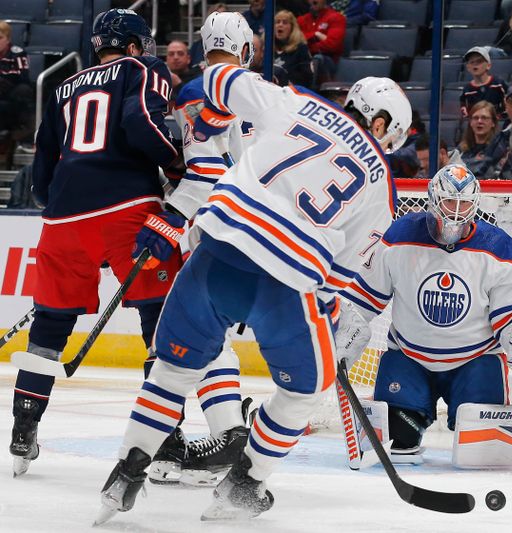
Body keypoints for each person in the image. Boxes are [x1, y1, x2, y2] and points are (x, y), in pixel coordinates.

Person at [96, 75, 411, 521]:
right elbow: (340, 274)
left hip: (216, 250)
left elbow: (219, 77)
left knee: (172, 371)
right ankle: (243, 485)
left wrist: (209, 111)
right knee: (305, 390)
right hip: (287, 280)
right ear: (380, 124)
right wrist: (328, 314)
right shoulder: (382, 184)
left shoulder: (296, 100)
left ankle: (125, 475)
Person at [9, 8, 183, 478]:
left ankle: (23, 429)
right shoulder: (142, 70)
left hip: (62, 219)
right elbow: (141, 124)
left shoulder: (65, 86)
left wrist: (69, 204)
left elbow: (42, 166)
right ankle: (165, 442)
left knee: (48, 326)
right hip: (127, 210)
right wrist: (178, 167)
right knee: (159, 317)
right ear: (131, 45)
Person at [336, 164, 512, 465]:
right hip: (409, 358)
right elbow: (362, 299)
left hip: (475, 363)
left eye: (464, 203)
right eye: (450, 202)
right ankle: (410, 417)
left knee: (484, 452)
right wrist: (339, 331)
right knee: (398, 440)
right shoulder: (398, 237)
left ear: (475, 204)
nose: (456, 211)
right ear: (433, 199)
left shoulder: (500, 249)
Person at [143, 12, 259, 486]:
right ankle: (222, 434)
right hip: (270, 230)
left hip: (220, 225)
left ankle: (226, 433)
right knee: (212, 334)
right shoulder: (265, 91)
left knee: (199, 333)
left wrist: (171, 216)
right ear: (246, 49)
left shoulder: (196, 91)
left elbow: (207, 171)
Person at [0, 21, 34, 143]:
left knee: (23, 90)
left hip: (12, 92)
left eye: (0, 38)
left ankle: (24, 133)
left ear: (8, 39)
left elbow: (23, 78)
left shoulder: (18, 53)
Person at [298, 0, 346, 85]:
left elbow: (332, 45)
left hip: (328, 62)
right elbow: (294, 42)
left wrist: (307, 45)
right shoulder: (301, 20)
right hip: (303, 58)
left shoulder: (336, 17)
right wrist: (316, 35)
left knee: (318, 59)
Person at [459, 46, 508, 118]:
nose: (475, 65)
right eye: (472, 62)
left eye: (479, 61)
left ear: (488, 65)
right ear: (468, 67)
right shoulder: (467, 90)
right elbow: (466, 115)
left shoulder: (499, 84)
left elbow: (509, 107)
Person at [274, 9, 313, 86]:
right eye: (277, 22)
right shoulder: (266, 48)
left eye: (284, 22)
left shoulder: (300, 49)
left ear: (292, 28)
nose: (280, 25)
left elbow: (307, 79)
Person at [458, 101, 499, 174]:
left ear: (493, 123)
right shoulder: (461, 150)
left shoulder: (498, 148)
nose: (479, 121)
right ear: (470, 122)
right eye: (475, 118)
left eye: (484, 118)